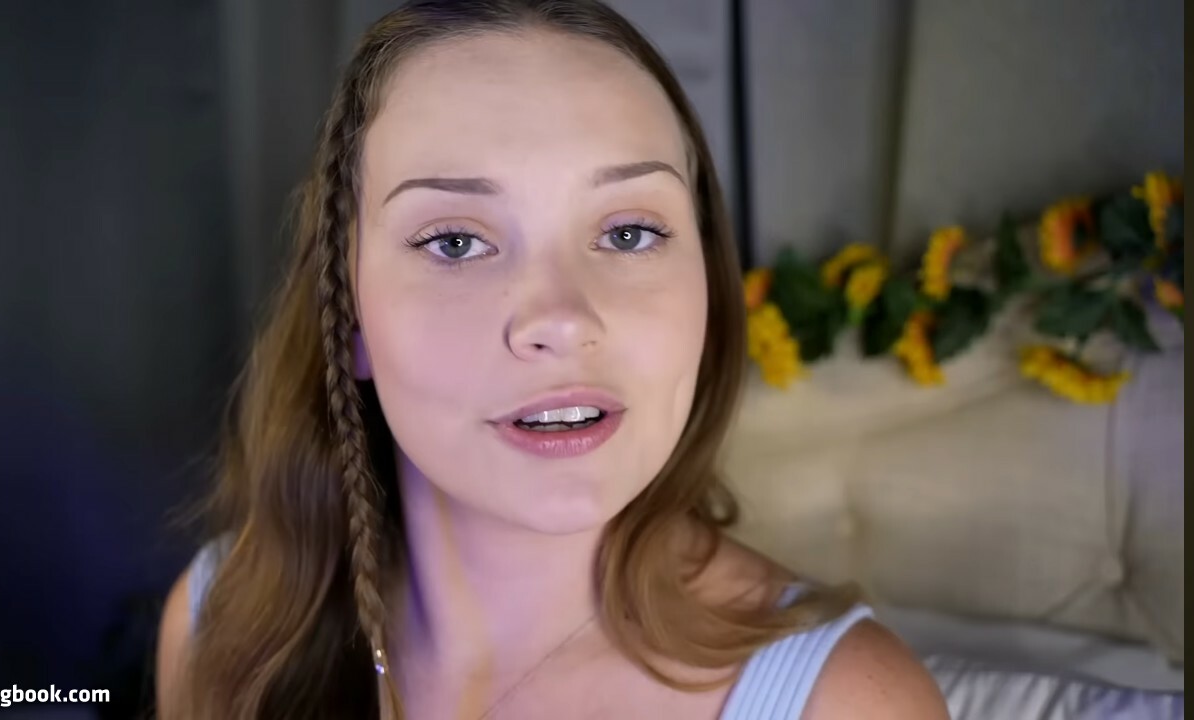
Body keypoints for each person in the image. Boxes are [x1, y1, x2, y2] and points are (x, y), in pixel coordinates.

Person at [155, 1, 951, 717]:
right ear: (349, 316)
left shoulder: (851, 704)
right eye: (456, 242)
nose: (562, 321)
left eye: (628, 233)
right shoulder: (222, 622)